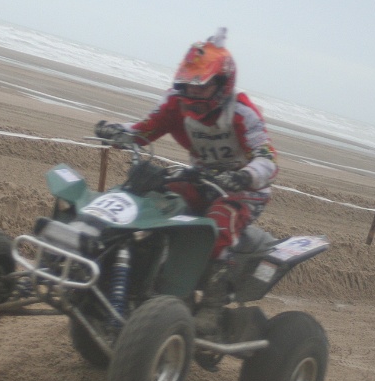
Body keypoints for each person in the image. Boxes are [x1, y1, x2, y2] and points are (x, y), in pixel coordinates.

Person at [94, 28, 278, 337]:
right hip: (201, 178)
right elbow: (144, 129)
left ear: (221, 84)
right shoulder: (176, 104)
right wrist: (118, 131)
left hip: (245, 189)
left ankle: (211, 304)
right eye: (187, 85)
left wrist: (245, 175)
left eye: (200, 87)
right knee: (155, 202)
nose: (192, 94)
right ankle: (142, 276)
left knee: (218, 225)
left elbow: (268, 158)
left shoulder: (243, 113)